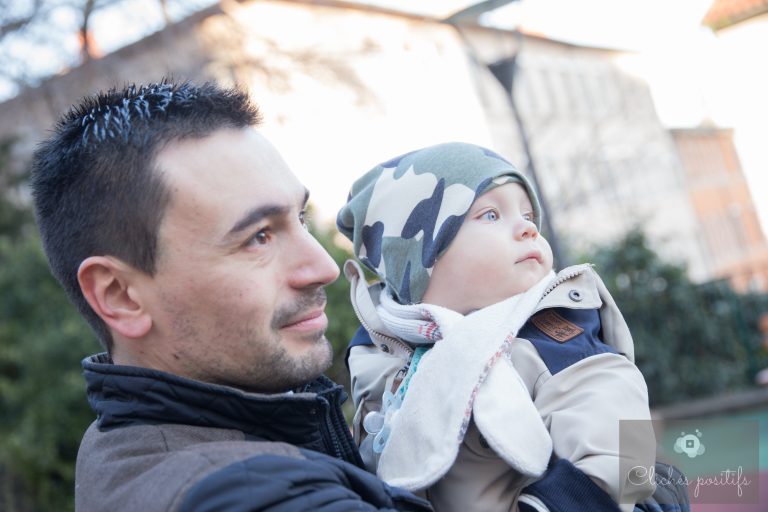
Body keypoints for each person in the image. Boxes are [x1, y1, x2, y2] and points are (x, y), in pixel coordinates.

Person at [30, 80, 432, 512]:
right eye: (258, 237)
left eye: (300, 218)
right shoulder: (255, 497)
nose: (324, 268)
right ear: (120, 296)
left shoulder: (123, 444)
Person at [336, 142, 660, 512]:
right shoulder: (378, 350)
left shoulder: (555, 331)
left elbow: (626, 449)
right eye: (491, 215)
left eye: (528, 214)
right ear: (419, 259)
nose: (527, 228)